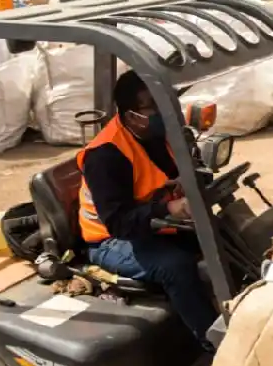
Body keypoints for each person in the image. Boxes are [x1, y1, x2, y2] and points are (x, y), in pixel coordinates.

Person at [77, 70, 218, 348]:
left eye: (164, 101)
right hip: (111, 239)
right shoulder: (105, 156)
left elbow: (188, 173)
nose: (163, 111)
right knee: (175, 266)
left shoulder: (163, 134)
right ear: (132, 116)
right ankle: (215, 343)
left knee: (224, 235)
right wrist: (169, 207)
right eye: (153, 106)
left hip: (154, 224)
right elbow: (119, 222)